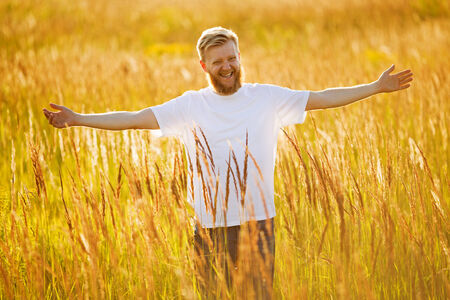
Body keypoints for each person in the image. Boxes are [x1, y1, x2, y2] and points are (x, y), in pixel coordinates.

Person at [43, 27, 413, 299]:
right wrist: (79, 118)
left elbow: (322, 98)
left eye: (232, 58)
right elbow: (134, 118)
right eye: (218, 61)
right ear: (204, 65)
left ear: (239, 58)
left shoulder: (266, 97)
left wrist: (375, 87)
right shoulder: (190, 104)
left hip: (259, 226)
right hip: (210, 228)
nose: (227, 66)